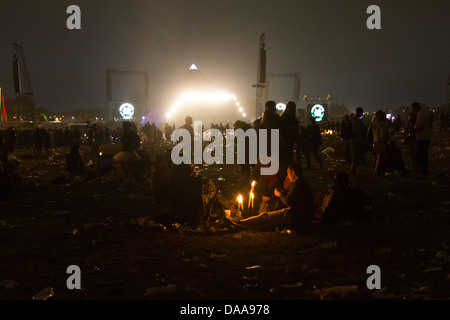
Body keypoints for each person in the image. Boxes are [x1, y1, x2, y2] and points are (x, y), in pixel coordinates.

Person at [228, 163, 315, 231]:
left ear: (293, 173)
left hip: (295, 215)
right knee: (266, 218)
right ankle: (241, 223)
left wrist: (279, 194)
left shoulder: (298, 184)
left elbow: (289, 201)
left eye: (288, 174)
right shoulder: (301, 183)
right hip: (297, 214)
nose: (287, 177)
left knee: (267, 217)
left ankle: (240, 223)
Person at [113, 121, 141, 185]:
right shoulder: (132, 133)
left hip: (125, 151)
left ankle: (126, 179)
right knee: (128, 167)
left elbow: (123, 141)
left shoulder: (125, 133)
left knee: (122, 165)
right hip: (130, 151)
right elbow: (137, 138)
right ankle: (131, 179)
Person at [411, 102, 433, 176]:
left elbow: (421, 126)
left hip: (423, 138)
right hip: (424, 137)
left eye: (412, 108)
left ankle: (423, 170)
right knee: (422, 155)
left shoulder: (421, 114)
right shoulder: (421, 114)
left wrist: (413, 131)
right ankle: (423, 170)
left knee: (421, 155)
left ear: (415, 108)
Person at [370, 110, 391, 177]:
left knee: (377, 158)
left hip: (376, 142)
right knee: (380, 158)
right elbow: (383, 135)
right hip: (382, 142)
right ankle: (378, 172)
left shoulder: (375, 123)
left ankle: (376, 171)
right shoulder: (383, 124)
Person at [280, 101, 299, 168]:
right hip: (286, 140)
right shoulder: (290, 119)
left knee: (287, 157)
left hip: (287, 140)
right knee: (287, 157)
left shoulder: (284, 118)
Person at [350, 107, 367, 174]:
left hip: (355, 140)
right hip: (356, 140)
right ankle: (353, 170)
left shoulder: (354, 120)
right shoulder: (356, 121)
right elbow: (359, 130)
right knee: (355, 156)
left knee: (356, 156)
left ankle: (353, 170)